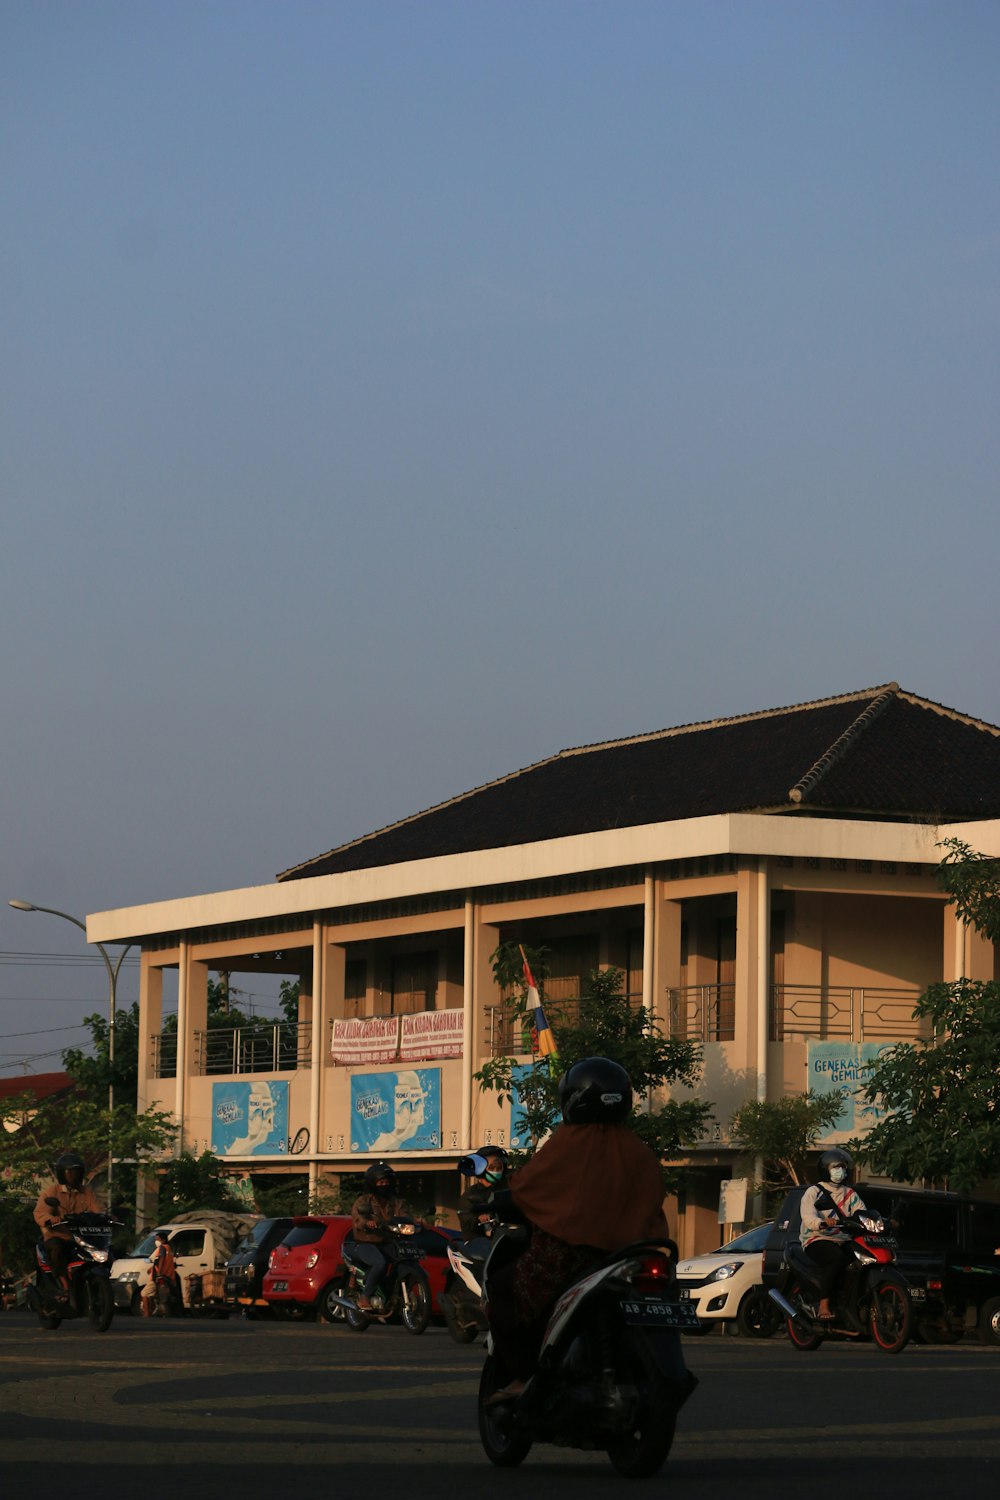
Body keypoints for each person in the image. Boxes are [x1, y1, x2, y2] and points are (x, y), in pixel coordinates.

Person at [486, 1057, 672, 1405]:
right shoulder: (640, 1150)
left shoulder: (568, 1143)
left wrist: (503, 1195)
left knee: (501, 1288)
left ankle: (523, 1377)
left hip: (573, 1256)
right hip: (632, 1256)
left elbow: (529, 1188)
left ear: (573, 1099)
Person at [798, 1147, 867, 1321]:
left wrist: (879, 1221)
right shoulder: (814, 1192)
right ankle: (823, 1305)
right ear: (826, 1169)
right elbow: (808, 1216)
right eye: (836, 1167)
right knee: (836, 1258)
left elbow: (862, 1213)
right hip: (817, 1238)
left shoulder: (850, 1193)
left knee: (865, 1260)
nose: (841, 1171)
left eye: (843, 1167)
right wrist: (821, 1223)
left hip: (843, 1239)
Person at [32, 1151, 103, 1301]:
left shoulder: (87, 1192)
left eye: (77, 1172)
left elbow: (98, 1210)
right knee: (56, 1250)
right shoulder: (51, 1193)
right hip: (59, 1235)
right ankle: (65, 1287)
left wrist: (107, 1217)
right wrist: (51, 1219)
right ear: (62, 1174)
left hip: (81, 1236)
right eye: (71, 1173)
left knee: (107, 1248)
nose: (74, 1176)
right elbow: (40, 1213)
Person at [349, 1161, 421, 1310]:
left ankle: (391, 1292)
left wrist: (418, 1223)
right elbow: (357, 1219)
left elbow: (405, 1216)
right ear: (372, 1183)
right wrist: (366, 1222)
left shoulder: (396, 1202)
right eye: (381, 1182)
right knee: (380, 1262)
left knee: (404, 1258)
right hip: (365, 1243)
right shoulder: (363, 1201)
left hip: (388, 1242)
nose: (384, 1185)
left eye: (387, 1182)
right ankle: (365, 1296)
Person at [458, 1147, 509, 1239]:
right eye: (492, 1167)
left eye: (499, 1168)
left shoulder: (507, 1190)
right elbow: (466, 1218)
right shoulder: (470, 1194)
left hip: (506, 1237)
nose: (496, 1171)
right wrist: (480, 1218)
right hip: (478, 1242)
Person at [140, 1230, 178, 1317]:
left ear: (163, 1240)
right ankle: (152, 1311)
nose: (156, 1241)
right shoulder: (169, 1248)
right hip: (168, 1277)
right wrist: (152, 1268)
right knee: (152, 1294)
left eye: (157, 1239)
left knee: (144, 1293)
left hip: (158, 1276)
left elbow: (161, 1259)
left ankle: (146, 1313)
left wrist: (159, 1272)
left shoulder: (162, 1248)